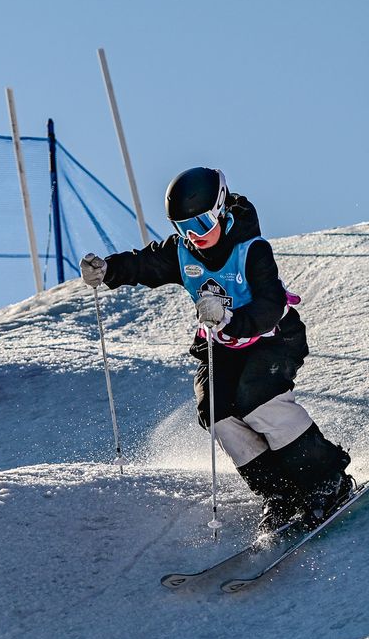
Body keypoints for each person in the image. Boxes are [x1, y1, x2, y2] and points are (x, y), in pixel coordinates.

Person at [81, 166, 353, 536]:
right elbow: (144, 264)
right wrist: (108, 270)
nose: (194, 236)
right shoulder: (183, 253)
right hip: (223, 347)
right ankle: (280, 495)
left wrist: (228, 317)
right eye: (183, 227)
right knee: (216, 408)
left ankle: (326, 480)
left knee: (259, 399)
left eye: (202, 223)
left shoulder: (252, 250)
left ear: (222, 209)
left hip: (272, 338)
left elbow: (270, 305)